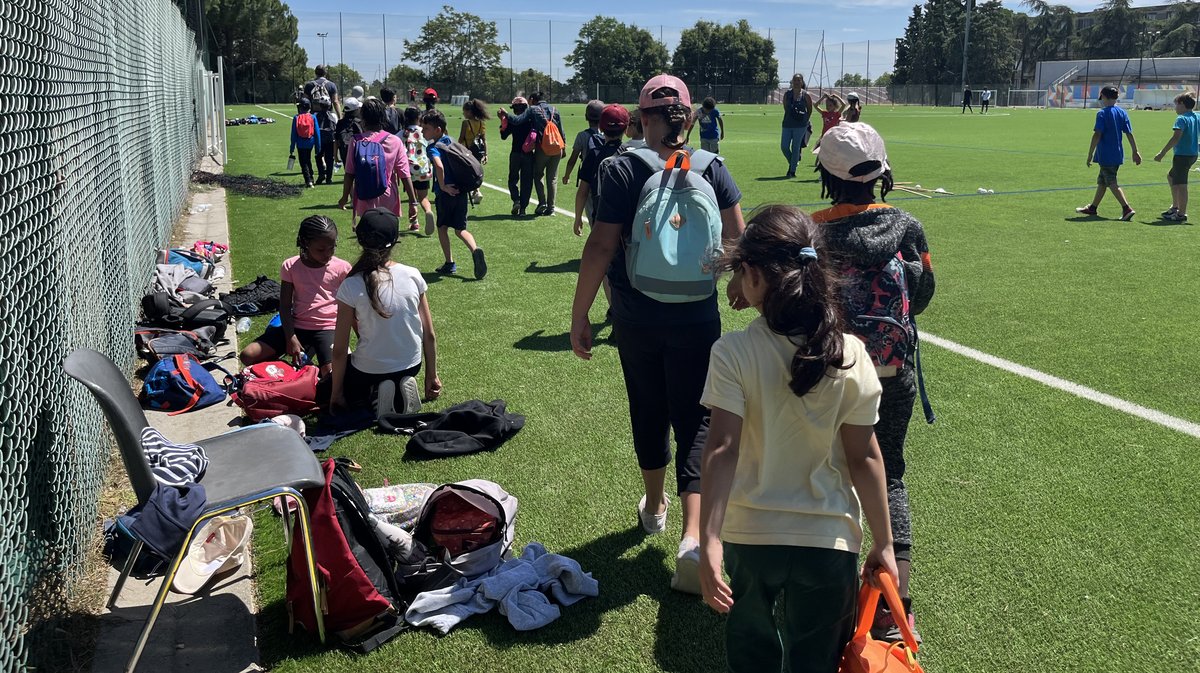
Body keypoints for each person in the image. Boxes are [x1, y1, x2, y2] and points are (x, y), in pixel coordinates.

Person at [697, 205, 897, 673]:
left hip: (750, 534)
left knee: (750, 649)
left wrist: (708, 538)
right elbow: (865, 455)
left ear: (751, 276)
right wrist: (885, 541)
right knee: (817, 659)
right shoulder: (852, 354)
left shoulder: (733, 352)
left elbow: (722, 448)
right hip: (830, 541)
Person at [570, 74, 745, 594]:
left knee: (647, 405)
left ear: (641, 118)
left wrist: (580, 315)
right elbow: (739, 239)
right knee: (696, 417)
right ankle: (693, 538)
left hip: (635, 311)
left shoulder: (621, 167)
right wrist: (739, 284)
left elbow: (601, 247)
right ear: (688, 118)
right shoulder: (712, 166)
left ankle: (654, 505)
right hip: (697, 311)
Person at [808, 121, 935, 644]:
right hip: (892, 372)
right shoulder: (906, 225)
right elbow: (923, 291)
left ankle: (824, 605)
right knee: (892, 476)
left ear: (827, 174)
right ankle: (893, 606)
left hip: (828, 374)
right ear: (880, 171)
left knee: (822, 478)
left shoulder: (810, 230)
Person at [326, 208, 440, 418]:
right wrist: (431, 376)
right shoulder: (413, 275)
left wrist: (336, 394)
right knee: (390, 370)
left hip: (368, 370)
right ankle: (395, 389)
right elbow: (429, 333)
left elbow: (340, 350)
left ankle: (376, 391)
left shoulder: (351, 285)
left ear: (360, 240)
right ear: (395, 239)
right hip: (411, 365)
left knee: (323, 390)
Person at [240, 216, 350, 377]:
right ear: (305, 243)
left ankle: (311, 370)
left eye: (332, 248)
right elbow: (284, 306)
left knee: (332, 375)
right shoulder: (291, 266)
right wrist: (290, 338)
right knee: (248, 355)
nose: (327, 254)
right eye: (321, 249)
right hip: (297, 326)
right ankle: (292, 369)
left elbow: (352, 305)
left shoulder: (342, 268)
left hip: (327, 328)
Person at [422, 108, 488, 280]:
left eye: (426, 128)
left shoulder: (433, 148)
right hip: (460, 192)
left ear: (437, 130)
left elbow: (439, 166)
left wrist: (443, 186)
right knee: (460, 229)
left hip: (446, 194)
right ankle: (475, 250)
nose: (422, 131)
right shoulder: (451, 141)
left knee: (442, 228)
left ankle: (449, 263)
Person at [338, 98, 419, 225]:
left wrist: (344, 197)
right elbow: (404, 173)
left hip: (365, 195)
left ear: (362, 118)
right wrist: (412, 202)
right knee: (387, 233)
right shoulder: (395, 141)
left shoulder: (356, 141)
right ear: (383, 117)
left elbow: (349, 173)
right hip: (387, 194)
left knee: (370, 234)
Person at [1076, 85, 1141, 221]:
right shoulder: (1122, 113)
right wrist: (1135, 151)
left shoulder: (1102, 113)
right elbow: (1129, 133)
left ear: (1104, 97)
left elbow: (1097, 134)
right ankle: (1093, 207)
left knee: (1111, 182)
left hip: (1106, 154)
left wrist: (1090, 154)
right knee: (1102, 182)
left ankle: (1126, 208)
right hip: (1117, 153)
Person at [500, 92, 565, 216]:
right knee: (541, 180)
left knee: (524, 177)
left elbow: (509, 129)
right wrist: (564, 148)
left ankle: (527, 202)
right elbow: (561, 130)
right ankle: (539, 208)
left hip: (526, 151)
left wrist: (504, 117)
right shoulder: (548, 112)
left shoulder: (527, 114)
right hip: (544, 150)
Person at [574, 103, 629, 237]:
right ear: (626, 128)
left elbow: (582, 192)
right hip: (626, 216)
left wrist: (578, 218)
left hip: (600, 216)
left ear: (601, 127)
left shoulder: (594, 154)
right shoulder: (629, 154)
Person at [1152, 92, 1198, 223]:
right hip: (1192, 154)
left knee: (1181, 184)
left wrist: (1162, 153)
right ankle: (1175, 206)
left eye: (1176, 104)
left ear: (1182, 104)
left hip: (1182, 155)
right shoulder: (1196, 116)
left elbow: (1176, 137)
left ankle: (1181, 214)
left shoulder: (1181, 119)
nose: (1175, 108)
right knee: (1171, 176)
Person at [499, 96, 535, 217]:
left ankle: (516, 200)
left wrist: (502, 121)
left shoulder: (512, 121)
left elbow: (503, 136)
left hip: (515, 153)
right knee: (527, 181)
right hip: (528, 154)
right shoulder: (531, 119)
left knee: (513, 179)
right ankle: (523, 209)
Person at [403, 106, 436, 235]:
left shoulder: (403, 133)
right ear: (419, 118)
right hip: (423, 169)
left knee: (412, 197)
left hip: (408, 170)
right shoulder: (425, 131)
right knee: (423, 197)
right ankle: (428, 211)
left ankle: (414, 223)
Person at [562, 99, 605, 185]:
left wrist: (567, 176)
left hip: (587, 176)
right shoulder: (608, 134)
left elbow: (572, 160)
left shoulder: (582, 136)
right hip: (604, 175)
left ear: (586, 117)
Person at [458, 98, 490, 206]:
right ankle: (476, 191)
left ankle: (476, 191)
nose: (463, 113)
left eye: (465, 111)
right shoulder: (481, 123)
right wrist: (486, 154)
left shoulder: (466, 123)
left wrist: (456, 148)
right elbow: (484, 140)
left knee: (467, 172)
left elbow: (461, 138)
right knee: (476, 171)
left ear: (470, 111)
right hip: (478, 151)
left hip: (467, 151)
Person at [781, 74, 813, 177]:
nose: (796, 82)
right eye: (795, 80)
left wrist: (804, 121)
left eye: (798, 80)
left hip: (800, 125)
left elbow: (809, 110)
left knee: (795, 147)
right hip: (787, 124)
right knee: (784, 146)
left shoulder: (806, 95)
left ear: (802, 82)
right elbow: (786, 108)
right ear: (792, 81)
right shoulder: (787, 94)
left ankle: (792, 171)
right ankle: (793, 162)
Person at [289, 98, 321, 188]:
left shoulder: (296, 117)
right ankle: (311, 178)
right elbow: (317, 132)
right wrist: (318, 146)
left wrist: (292, 147)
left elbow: (293, 134)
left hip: (300, 143)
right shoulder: (313, 117)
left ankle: (308, 180)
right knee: (308, 160)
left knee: (303, 162)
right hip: (310, 142)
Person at [333, 97, 363, 169]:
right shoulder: (359, 122)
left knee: (348, 172)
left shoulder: (340, 123)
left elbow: (336, 140)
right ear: (356, 110)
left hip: (344, 152)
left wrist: (335, 155)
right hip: (359, 153)